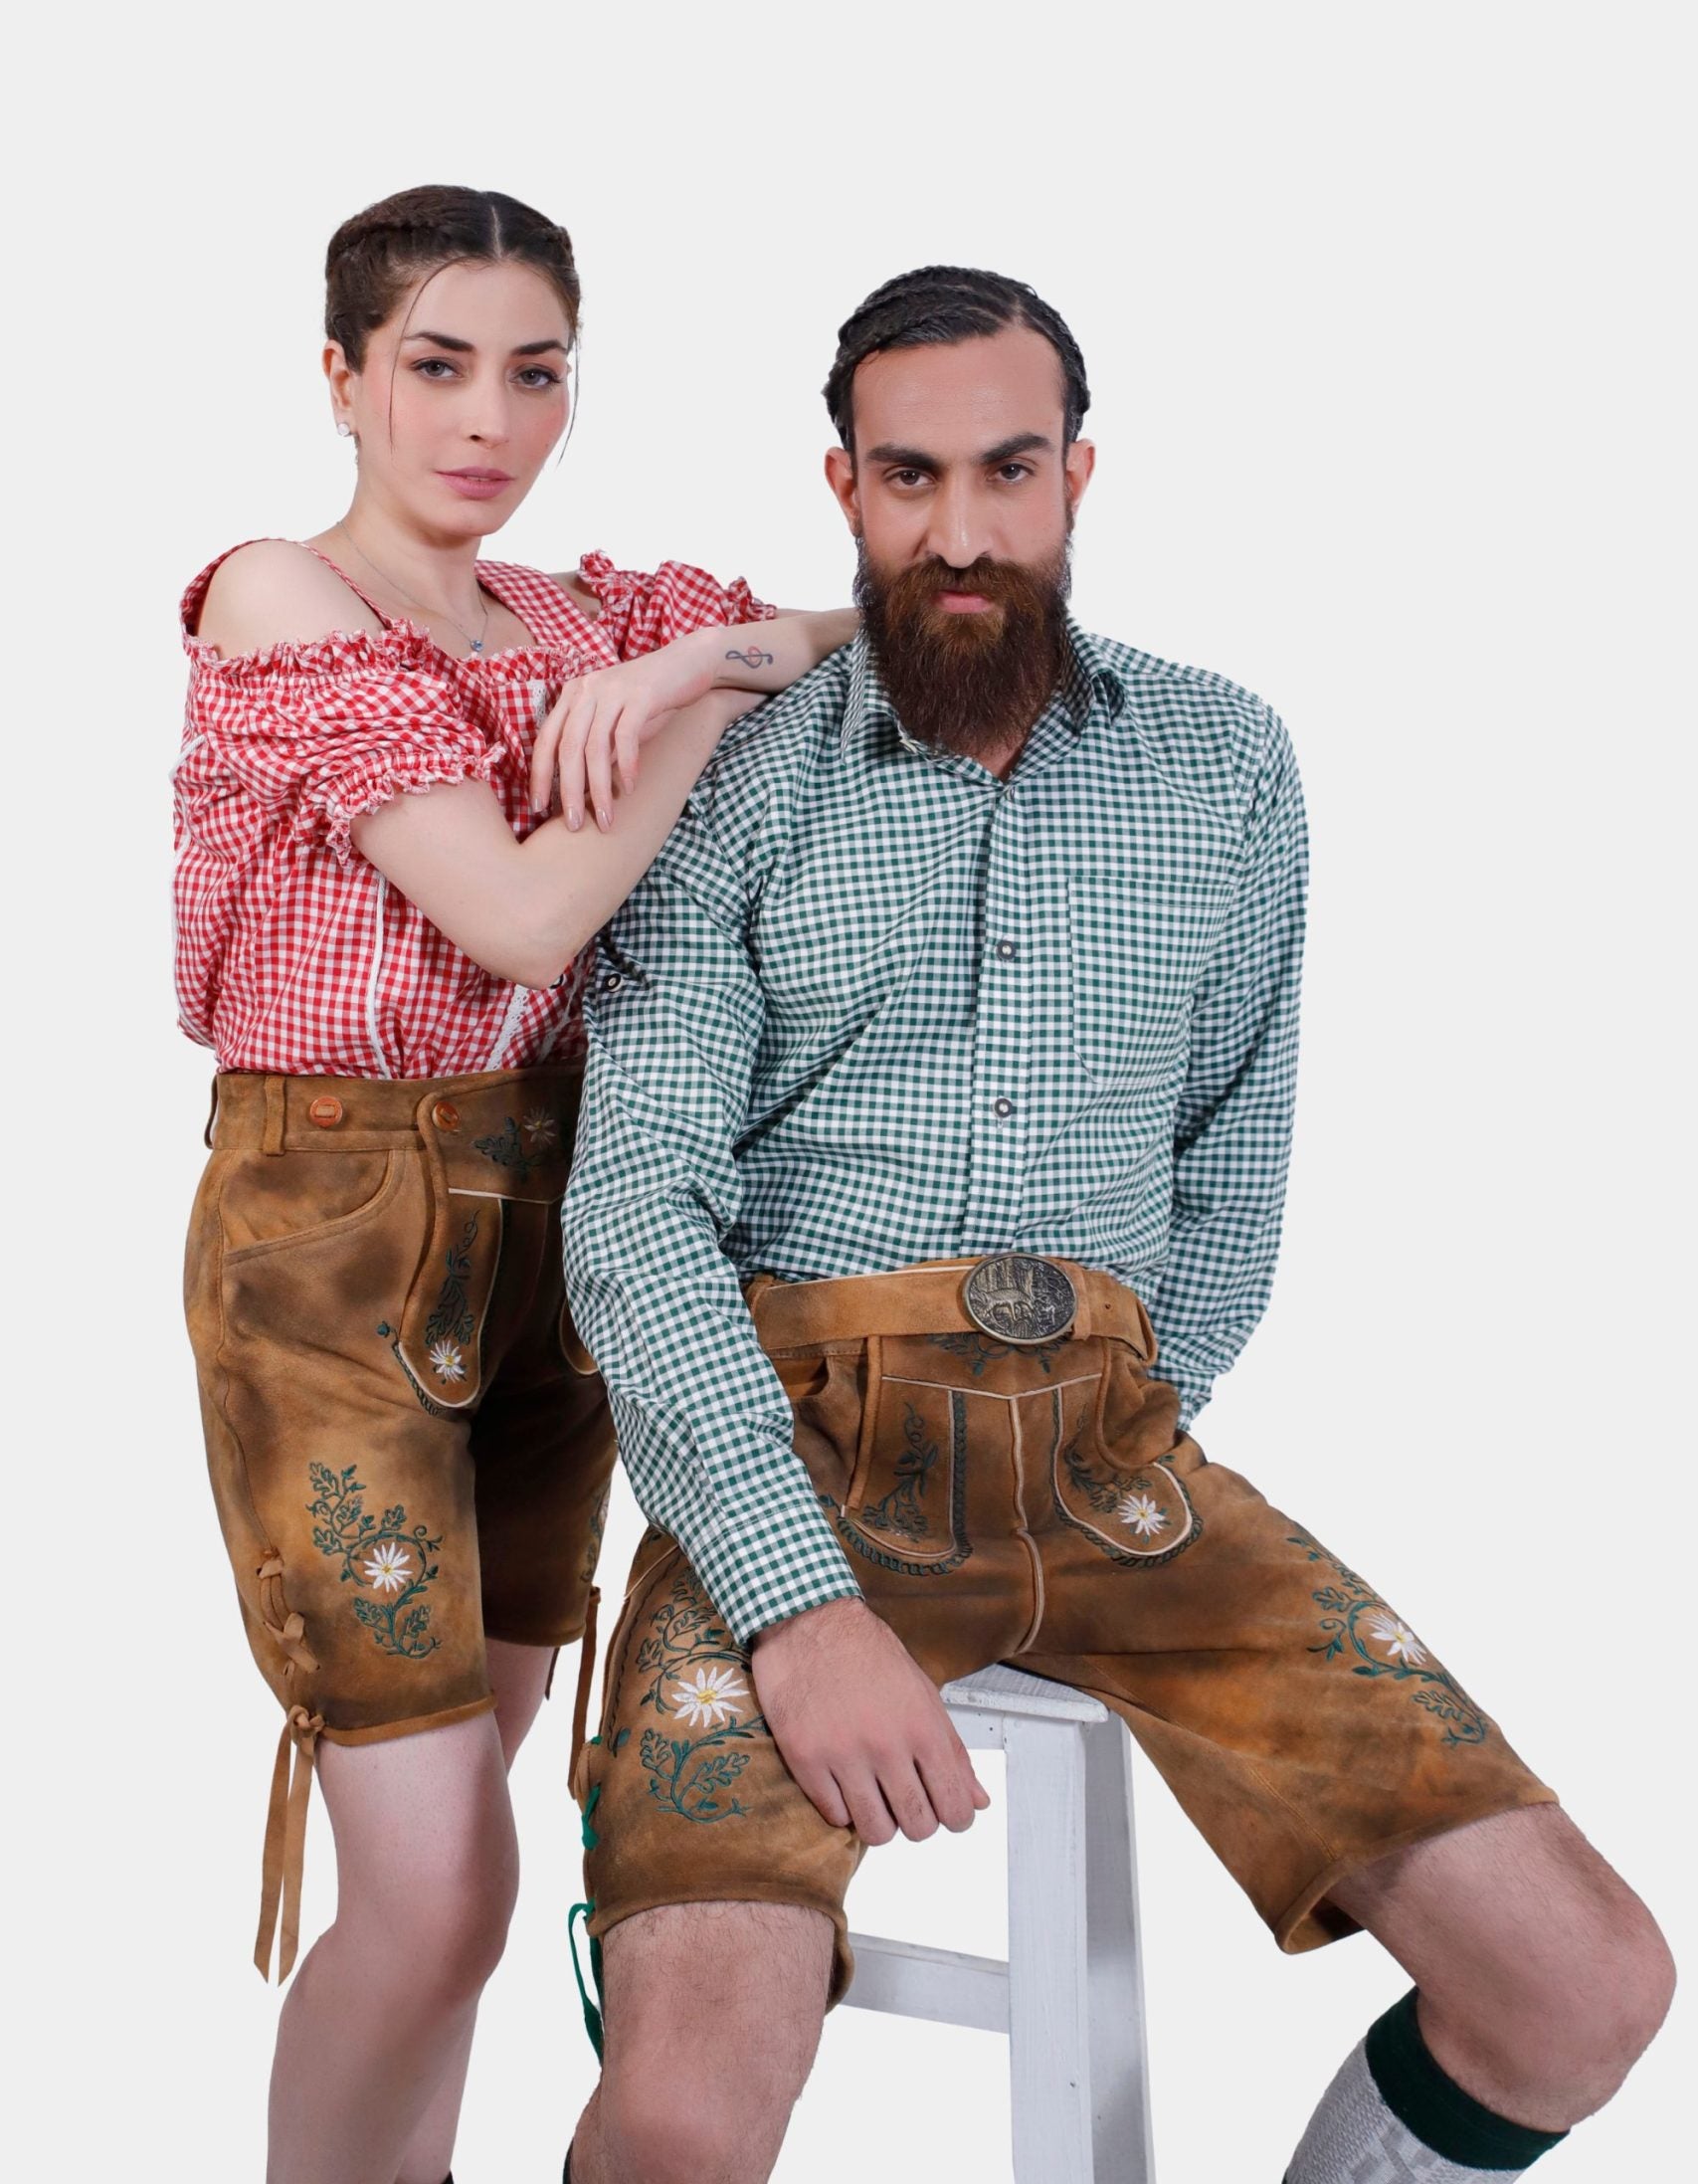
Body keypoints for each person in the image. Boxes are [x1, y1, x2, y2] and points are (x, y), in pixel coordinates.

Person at [560, 266, 1674, 2184]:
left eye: (1008, 469)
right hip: (797, 1461)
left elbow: (1236, 1152)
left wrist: (1129, 1410)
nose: (963, 530)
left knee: (1588, 1990)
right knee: (679, 2123)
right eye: (909, 478)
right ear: (842, 488)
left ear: (1082, 472)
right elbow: (635, 1204)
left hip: (1124, 1465)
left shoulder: (1228, 763)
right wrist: (797, 1602)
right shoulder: (735, 771)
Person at [175, 183, 855, 2184]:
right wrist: (685, 719)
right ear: (344, 378)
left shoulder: (577, 620)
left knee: (469, 1840)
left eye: (531, 371)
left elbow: (850, 632)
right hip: (334, 1241)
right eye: (434, 365)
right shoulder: (278, 595)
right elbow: (514, 907)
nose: (483, 418)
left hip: (574, 1224)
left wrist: (696, 652)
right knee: (436, 1884)